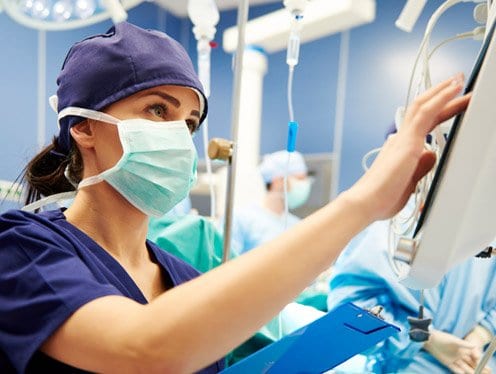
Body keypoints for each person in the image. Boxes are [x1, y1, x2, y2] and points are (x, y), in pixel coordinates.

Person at [0, 21, 470, 373]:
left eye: (188, 122)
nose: (180, 136)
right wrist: (362, 202)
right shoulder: (24, 248)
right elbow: (143, 349)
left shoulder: (183, 277)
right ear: (82, 125)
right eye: (157, 109)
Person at [327, 217, 496, 374]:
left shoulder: (487, 229)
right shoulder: (392, 221)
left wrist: (480, 335)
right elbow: (352, 314)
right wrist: (425, 338)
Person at [231, 150, 311, 255]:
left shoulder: (297, 226)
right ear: (277, 182)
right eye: (299, 179)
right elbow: (224, 266)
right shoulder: (241, 219)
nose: (304, 184)